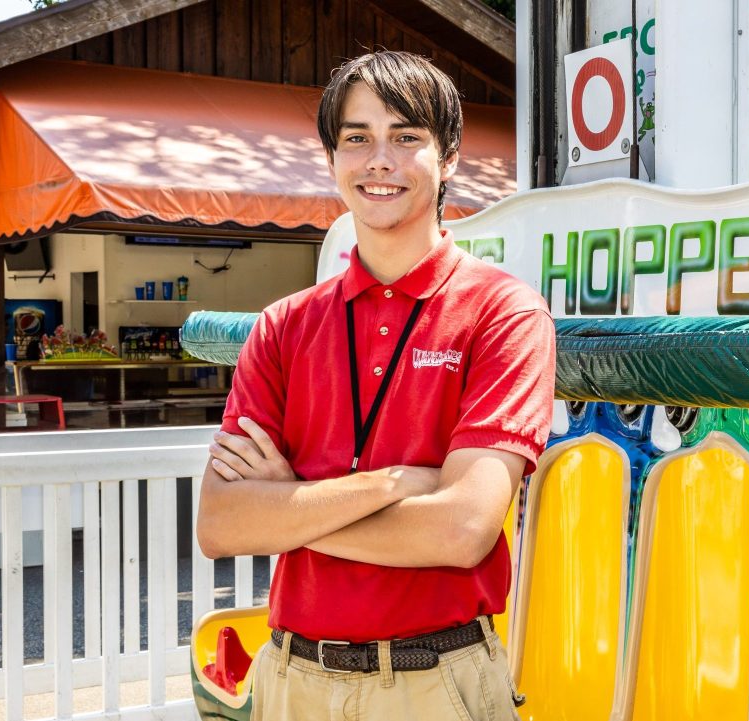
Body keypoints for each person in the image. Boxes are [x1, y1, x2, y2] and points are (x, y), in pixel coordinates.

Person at [196, 51, 555, 721]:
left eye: (406, 136)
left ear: (449, 158)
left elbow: (461, 530)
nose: (379, 160)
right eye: (357, 137)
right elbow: (221, 523)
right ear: (332, 159)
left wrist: (288, 507)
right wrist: (392, 484)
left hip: (435, 681)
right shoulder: (283, 326)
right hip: (292, 679)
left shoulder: (504, 314)